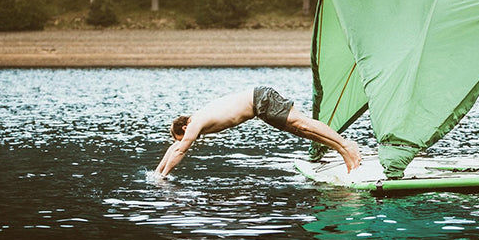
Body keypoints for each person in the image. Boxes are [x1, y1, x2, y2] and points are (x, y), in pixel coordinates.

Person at [155, 86, 362, 178]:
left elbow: (180, 150)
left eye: (183, 136)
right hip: (260, 108)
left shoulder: (195, 122)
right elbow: (176, 147)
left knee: (304, 124)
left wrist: (163, 177)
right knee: (301, 131)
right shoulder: (198, 118)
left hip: (260, 99)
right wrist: (157, 172)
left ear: (185, 128)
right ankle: (343, 150)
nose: (189, 139)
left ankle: (347, 146)